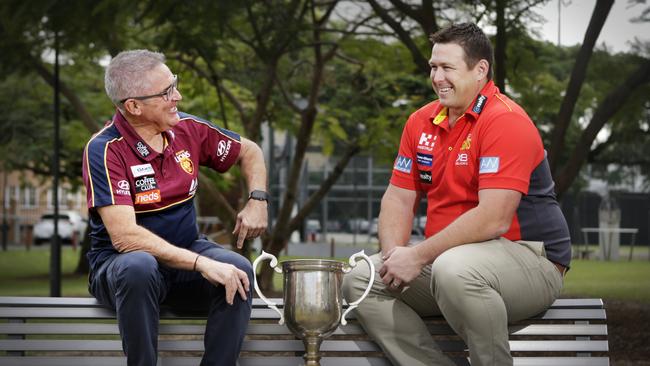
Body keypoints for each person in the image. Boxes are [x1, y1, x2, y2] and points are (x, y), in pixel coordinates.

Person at [342, 23, 571, 366]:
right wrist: (395, 258)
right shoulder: (421, 122)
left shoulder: (505, 121)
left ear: (480, 70)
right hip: (452, 261)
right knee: (362, 278)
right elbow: (399, 197)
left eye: (448, 68)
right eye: (433, 67)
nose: (437, 77)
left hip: (531, 261)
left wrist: (417, 256)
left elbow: (494, 219)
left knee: (454, 269)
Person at [82, 49, 269, 366]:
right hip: (121, 268)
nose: (178, 96)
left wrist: (258, 200)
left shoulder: (188, 129)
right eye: (167, 91)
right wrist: (200, 263)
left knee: (240, 271)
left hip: (184, 258)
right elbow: (126, 238)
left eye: (174, 85)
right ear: (134, 106)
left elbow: (249, 151)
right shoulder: (104, 149)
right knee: (138, 266)